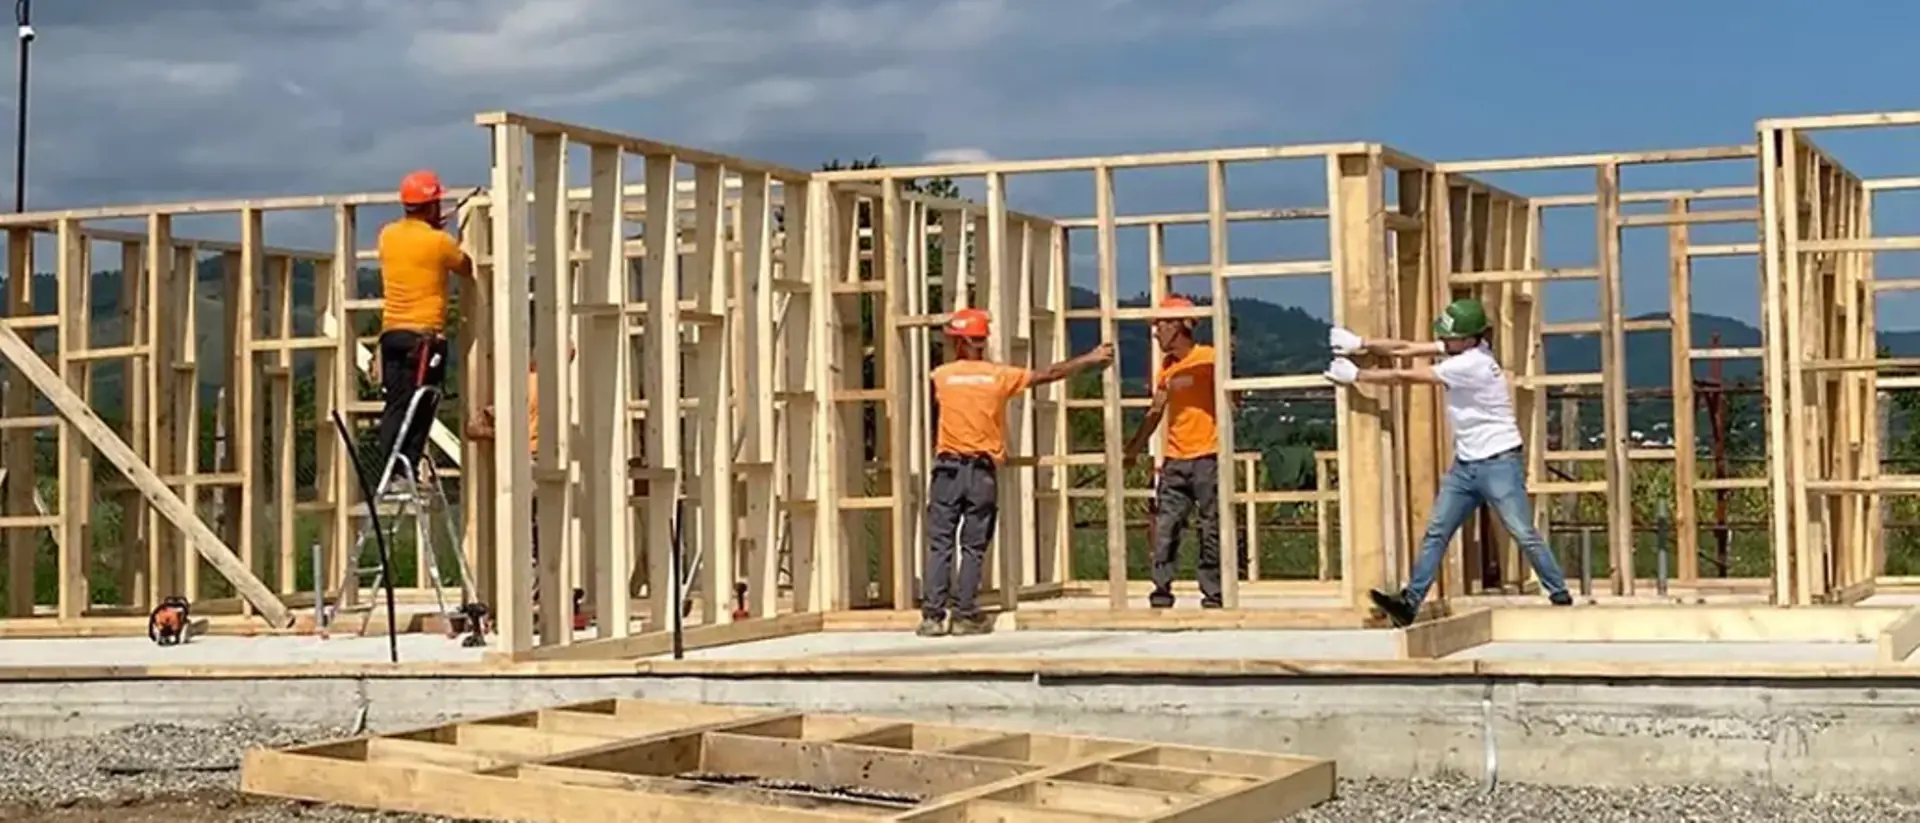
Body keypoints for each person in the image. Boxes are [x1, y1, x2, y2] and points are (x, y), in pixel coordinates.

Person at [1322, 297, 1574, 627]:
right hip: (1466, 466)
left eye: (1452, 338)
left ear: (1470, 339)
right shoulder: (1464, 348)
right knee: (1437, 532)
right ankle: (1409, 603)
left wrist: (1359, 376)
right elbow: (1408, 347)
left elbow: (1406, 376)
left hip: (1499, 463)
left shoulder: (1472, 365)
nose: (1446, 341)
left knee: (1522, 531)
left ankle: (1559, 594)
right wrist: (1362, 343)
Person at [920, 308, 1114, 637]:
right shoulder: (999, 376)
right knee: (973, 545)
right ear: (980, 342)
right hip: (981, 471)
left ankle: (933, 618)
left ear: (961, 343)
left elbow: (929, 412)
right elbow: (1049, 374)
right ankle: (965, 615)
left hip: (948, 470)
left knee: (941, 544)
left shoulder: (941, 376)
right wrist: (1091, 357)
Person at [1120, 295, 1244, 608]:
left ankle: (1213, 592)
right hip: (1175, 461)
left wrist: (1231, 367)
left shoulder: (1209, 359)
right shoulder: (1167, 369)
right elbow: (1156, 411)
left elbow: (1234, 402)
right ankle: (1161, 590)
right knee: (1165, 527)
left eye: (1160, 325)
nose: (1155, 332)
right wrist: (1133, 447)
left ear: (1178, 326)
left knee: (1211, 527)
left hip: (1208, 458)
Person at [374, 169, 474, 484]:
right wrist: (442, 233)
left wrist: (430, 228)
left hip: (392, 335)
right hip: (424, 339)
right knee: (423, 404)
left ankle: (390, 470)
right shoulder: (440, 242)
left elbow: (413, 247)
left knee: (396, 403)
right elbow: (466, 267)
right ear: (432, 206)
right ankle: (405, 468)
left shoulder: (387, 235)